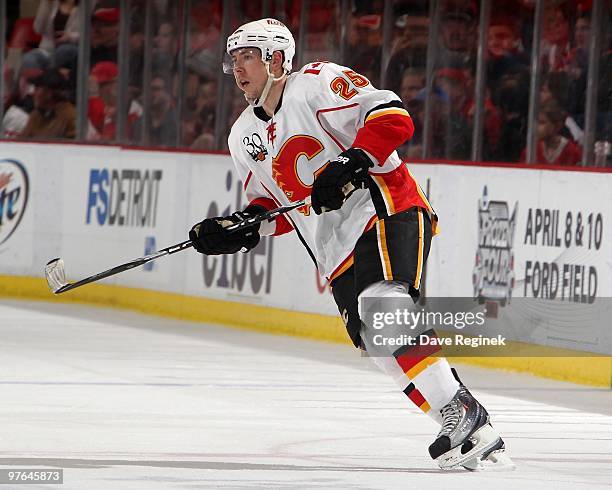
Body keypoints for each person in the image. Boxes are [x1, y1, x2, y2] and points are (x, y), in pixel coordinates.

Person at [188, 18, 513, 470]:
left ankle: (465, 415)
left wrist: (353, 159)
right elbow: (279, 209)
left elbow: (393, 115)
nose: (238, 67)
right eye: (234, 58)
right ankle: (466, 427)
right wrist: (241, 228)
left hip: (386, 206)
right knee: (378, 344)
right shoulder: (242, 136)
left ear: (277, 59)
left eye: (248, 56)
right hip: (334, 245)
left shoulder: (316, 83)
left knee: (383, 304)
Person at [19, 67, 75, 140]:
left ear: (49, 93)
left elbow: (75, 147)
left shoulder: (70, 116)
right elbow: (21, 142)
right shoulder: (36, 115)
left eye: (36, 88)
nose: (33, 93)